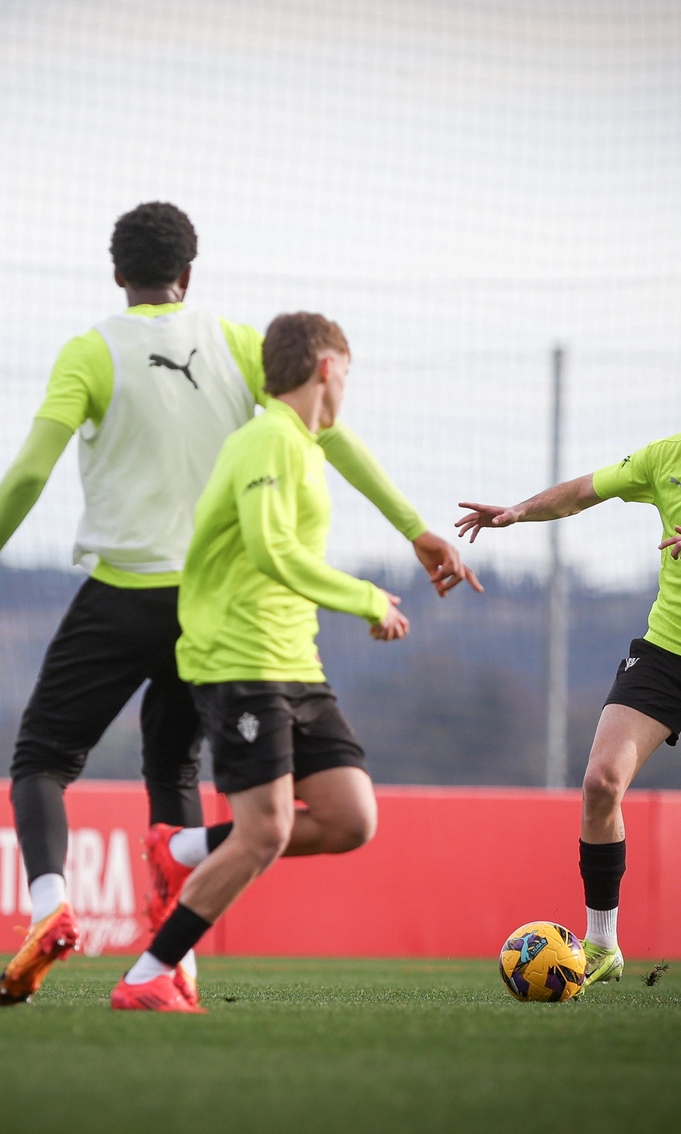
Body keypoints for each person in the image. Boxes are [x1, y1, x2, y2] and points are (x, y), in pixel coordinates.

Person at [0, 204, 477, 1007]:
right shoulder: (237, 342)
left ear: (118, 275)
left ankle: (51, 908)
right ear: (191, 274)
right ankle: (173, 964)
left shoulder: (91, 351)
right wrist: (414, 526)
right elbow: (331, 433)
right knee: (173, 774)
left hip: (121, 595)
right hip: (210, 604)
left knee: (42, 761)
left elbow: (25, 474)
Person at [455, 341, 681, 1005]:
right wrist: (515, 512)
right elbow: (580, 493)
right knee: (600, 782)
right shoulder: (664, 457)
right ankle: (602, 944)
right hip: (668, 653)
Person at [113, 312, 416, 1013]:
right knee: (267, 830)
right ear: (328, 369)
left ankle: (183, 849)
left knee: (350, 818)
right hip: (239, 661)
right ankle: (146, 976)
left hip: (294, 664)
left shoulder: (305, 446)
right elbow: (270, 548)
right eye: (349, 375)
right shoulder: (267, 440)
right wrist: (367, 598)